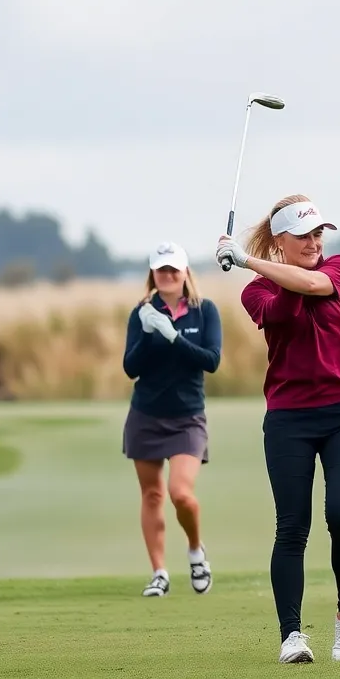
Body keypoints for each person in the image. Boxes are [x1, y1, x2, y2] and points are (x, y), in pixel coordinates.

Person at [215, 194, 340, 664]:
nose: (314, 242)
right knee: (292, 528)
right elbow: (285, 310)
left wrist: (246, 260)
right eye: (303, 235)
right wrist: (255, 268)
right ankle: (292, 636)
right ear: (281, 241)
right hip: (288, 418)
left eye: (318, 233)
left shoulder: (339, 267)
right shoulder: (255, 292)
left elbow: (312, 284)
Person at [122, 241, 222, 598]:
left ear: (184, 273)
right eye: (161, 269)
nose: (167, 275)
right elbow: (131, 367)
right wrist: (149, 334)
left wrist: (172, 335)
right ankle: (159, 572)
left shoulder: (204, 311)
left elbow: (210, 360)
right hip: (146, 413)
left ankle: (196, 551)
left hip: (187, 417)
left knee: (181, 493)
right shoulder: (141, 314)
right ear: (153, 274)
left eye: (173, 269)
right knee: (151, 495)